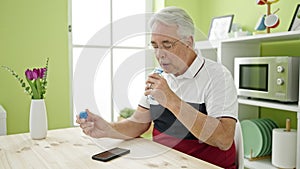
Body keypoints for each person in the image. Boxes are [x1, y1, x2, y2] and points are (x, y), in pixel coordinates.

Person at [77, 6, 238, 169]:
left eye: (167, 45)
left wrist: (172, 101)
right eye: (155, 45)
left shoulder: (218, 76)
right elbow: (139, 123)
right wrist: (107, 128)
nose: (159, 54)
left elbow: (223, 139)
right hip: (163, 163)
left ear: (188, 42)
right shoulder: (159, 75)